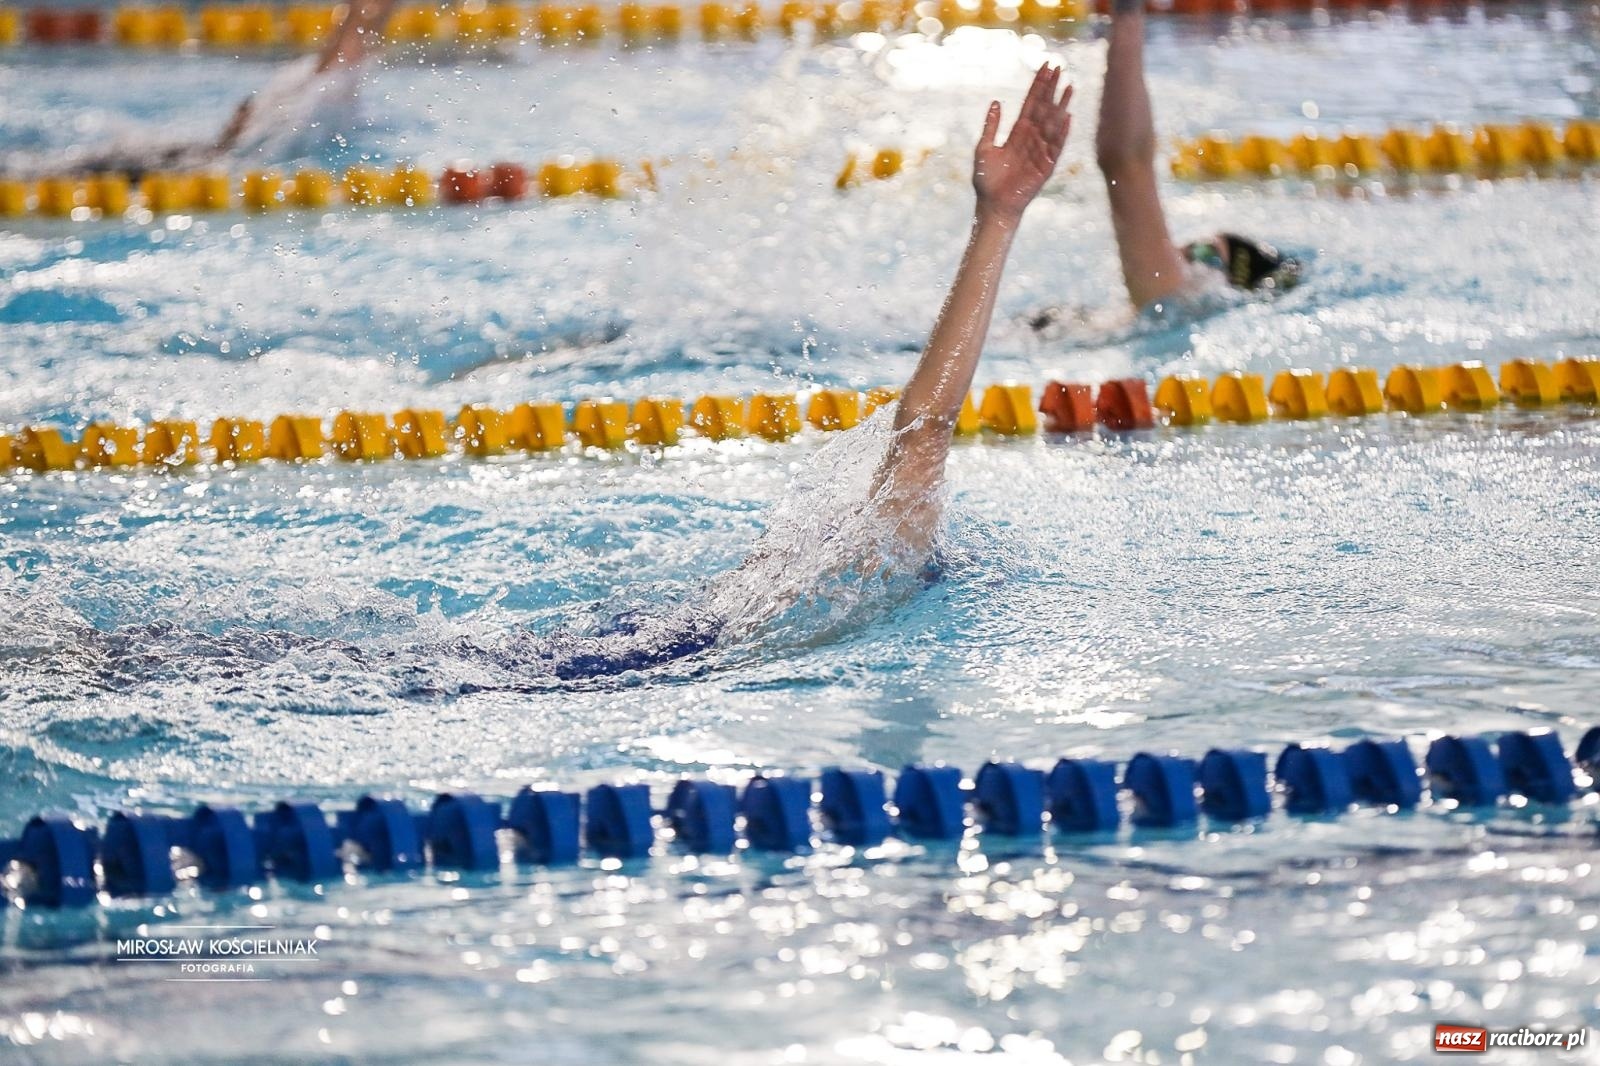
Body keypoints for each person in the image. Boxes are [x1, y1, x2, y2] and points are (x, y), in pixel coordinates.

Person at [550, 63, 1076, 680]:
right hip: (646, 665)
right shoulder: (886, 569)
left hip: (624, 650)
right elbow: (924, 427)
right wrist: (999, 219)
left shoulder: (814, 576)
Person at [1, 0, 400, 180]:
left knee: (76, 168)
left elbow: (355, 31)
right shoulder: (323, 88)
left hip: (208, 158)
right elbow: (351, 34)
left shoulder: (327, 90)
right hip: (207, 158)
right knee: (82, 168)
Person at [1094, 0, 1301, 311]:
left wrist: (1127, 14)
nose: (1183, 251)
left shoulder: (1170, 294)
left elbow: (1125, 163)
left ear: (1229, 286)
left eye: (1207, 255)